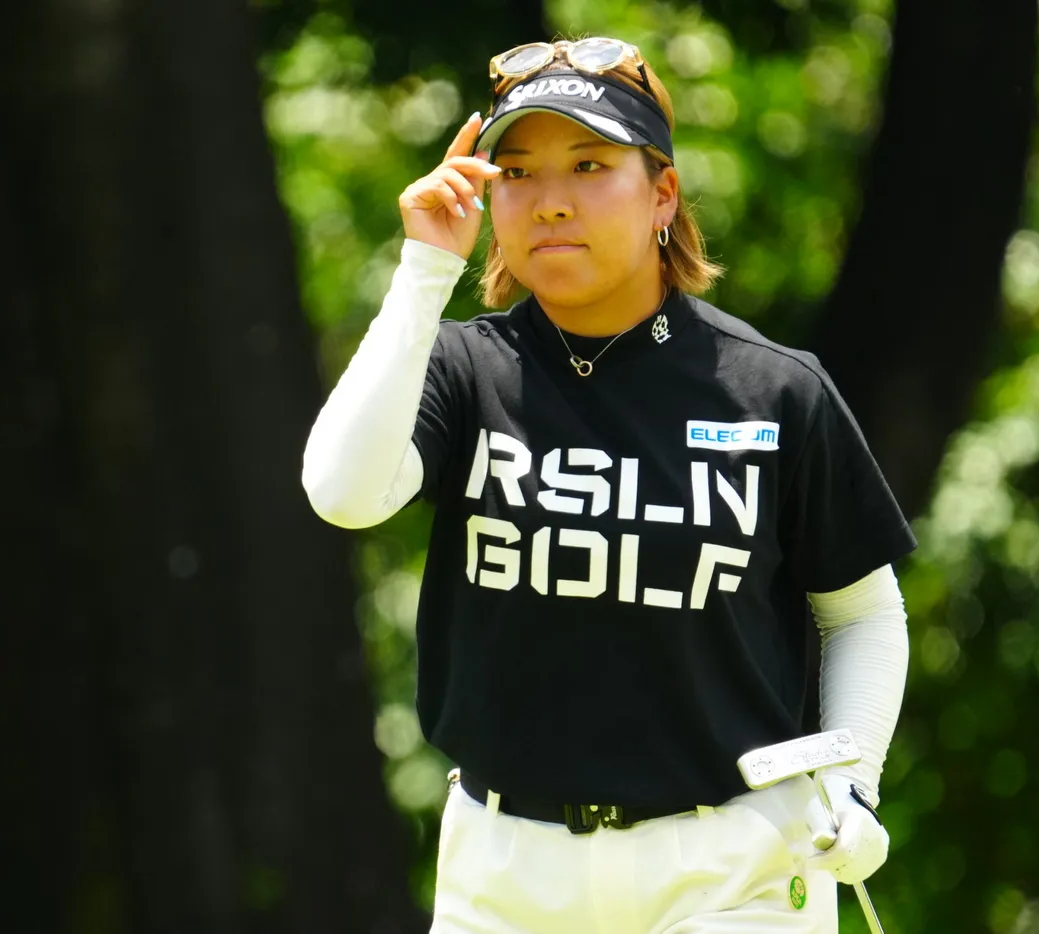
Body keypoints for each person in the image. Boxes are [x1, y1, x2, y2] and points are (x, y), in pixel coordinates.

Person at [303, 36, 916, 934]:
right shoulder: (463, 369)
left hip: (733, 872)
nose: (550, 200)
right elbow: (342, 493)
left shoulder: (774, 390)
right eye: (517, 172)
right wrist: (426, 268)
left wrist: (853, 783)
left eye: (590, 165)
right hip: (503, 879)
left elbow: (862, 611)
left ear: (662, 193)